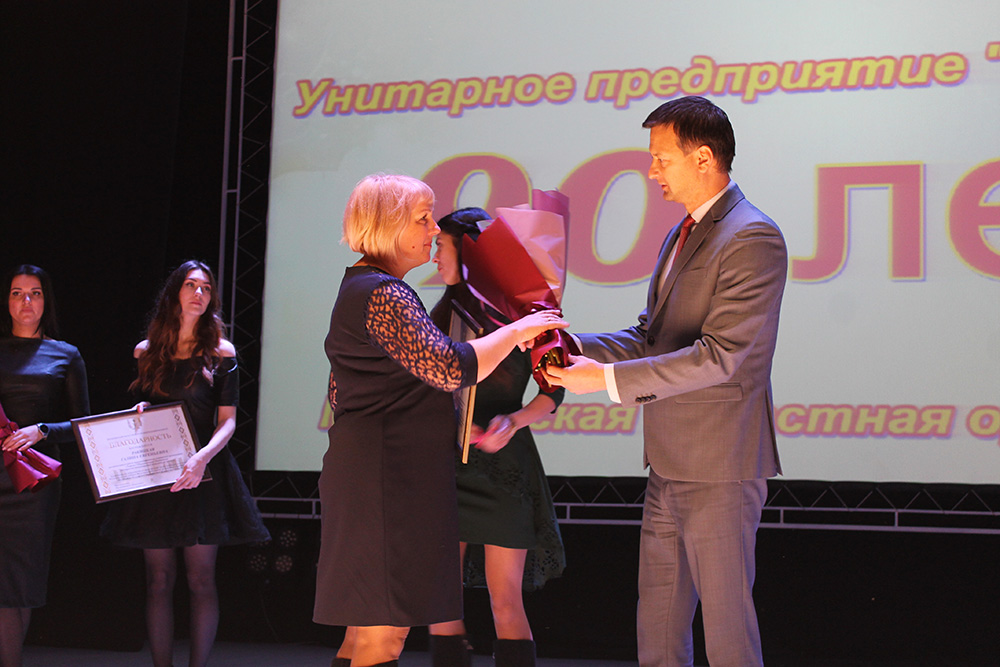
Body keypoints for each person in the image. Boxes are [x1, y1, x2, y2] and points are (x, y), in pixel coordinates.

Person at [543, 96, 787, 667]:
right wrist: (570, 347)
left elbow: (722, 356)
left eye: (661, 158)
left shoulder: (752, 236)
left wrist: (605, 381)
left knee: (727, 639)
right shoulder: (682, 232)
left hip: (720, 469)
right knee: (656, 633)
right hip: (669, 466)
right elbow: (651, 334)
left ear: (703, 158)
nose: (651, 171)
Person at [314, 174, 566, 667]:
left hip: (376, 472)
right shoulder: (384, 293)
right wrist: (519, 329)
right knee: (382, 637)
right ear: (389, 225)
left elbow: (341, 390)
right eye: (423, 218)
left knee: (363, 634)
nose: (433, 230)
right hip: (388, 477)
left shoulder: (366, 287)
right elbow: (449, 368)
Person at [100, 260, 270, 667]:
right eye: (191, 285)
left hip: (203, 473)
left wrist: (200, 458)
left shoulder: (221, 352)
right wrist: (141, 410)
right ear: (174, 292)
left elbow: (228, 422)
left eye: (206, 288)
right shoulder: (146, 351)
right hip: (158, 474)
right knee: (158, 580)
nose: (199, 293)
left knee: (200, 579)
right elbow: (147, 407)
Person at [426, 208, 566, 667]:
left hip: (504, 469)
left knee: (505, 599)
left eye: (441, 247)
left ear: (468, 252)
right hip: (447, 464)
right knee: (441, 600)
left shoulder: (527, 310)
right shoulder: (439, 314)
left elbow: (554, 390)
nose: (434, 258)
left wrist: (515, 421)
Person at [0, 264, 90, 667]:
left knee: (19, 585)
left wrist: (42, 430)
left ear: (45, 300)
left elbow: (84, 426)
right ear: (7, 301)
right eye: (17, 293)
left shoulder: (66, 354)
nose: (26, 301)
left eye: (35, 293)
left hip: (34, 483)